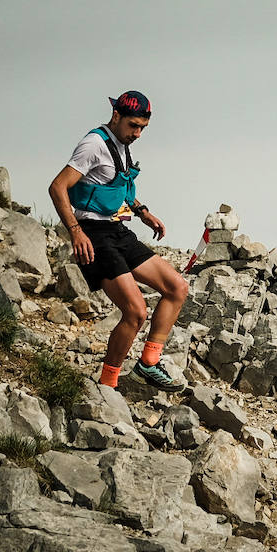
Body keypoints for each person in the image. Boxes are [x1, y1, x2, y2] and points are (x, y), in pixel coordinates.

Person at [48, 90, 189, 391]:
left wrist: (142, 211)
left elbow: (118, 185)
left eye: (142, 128)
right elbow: (58, 187)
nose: (137, 133)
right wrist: (75, 231)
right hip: (93, 234)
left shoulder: (121, 144)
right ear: (116, 116)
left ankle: (148, 364)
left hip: (118, 231)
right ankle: (107, 384)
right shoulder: (93, 145)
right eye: (133, 126)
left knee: (177, 287)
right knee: (136, 311)